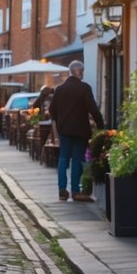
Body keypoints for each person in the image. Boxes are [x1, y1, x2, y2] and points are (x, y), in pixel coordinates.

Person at [48, 60, 104, 202]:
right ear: (78, 72)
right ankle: (75, 191)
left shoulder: (59, 89)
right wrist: (101, 125)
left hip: (64, 130)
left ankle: (62, 190)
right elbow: (93, 108)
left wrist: (59, 121)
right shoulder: (84, 88)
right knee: (77, 160)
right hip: (80, 130)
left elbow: (51, 110)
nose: (83, 74)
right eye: (82, 71)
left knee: (63, 158)